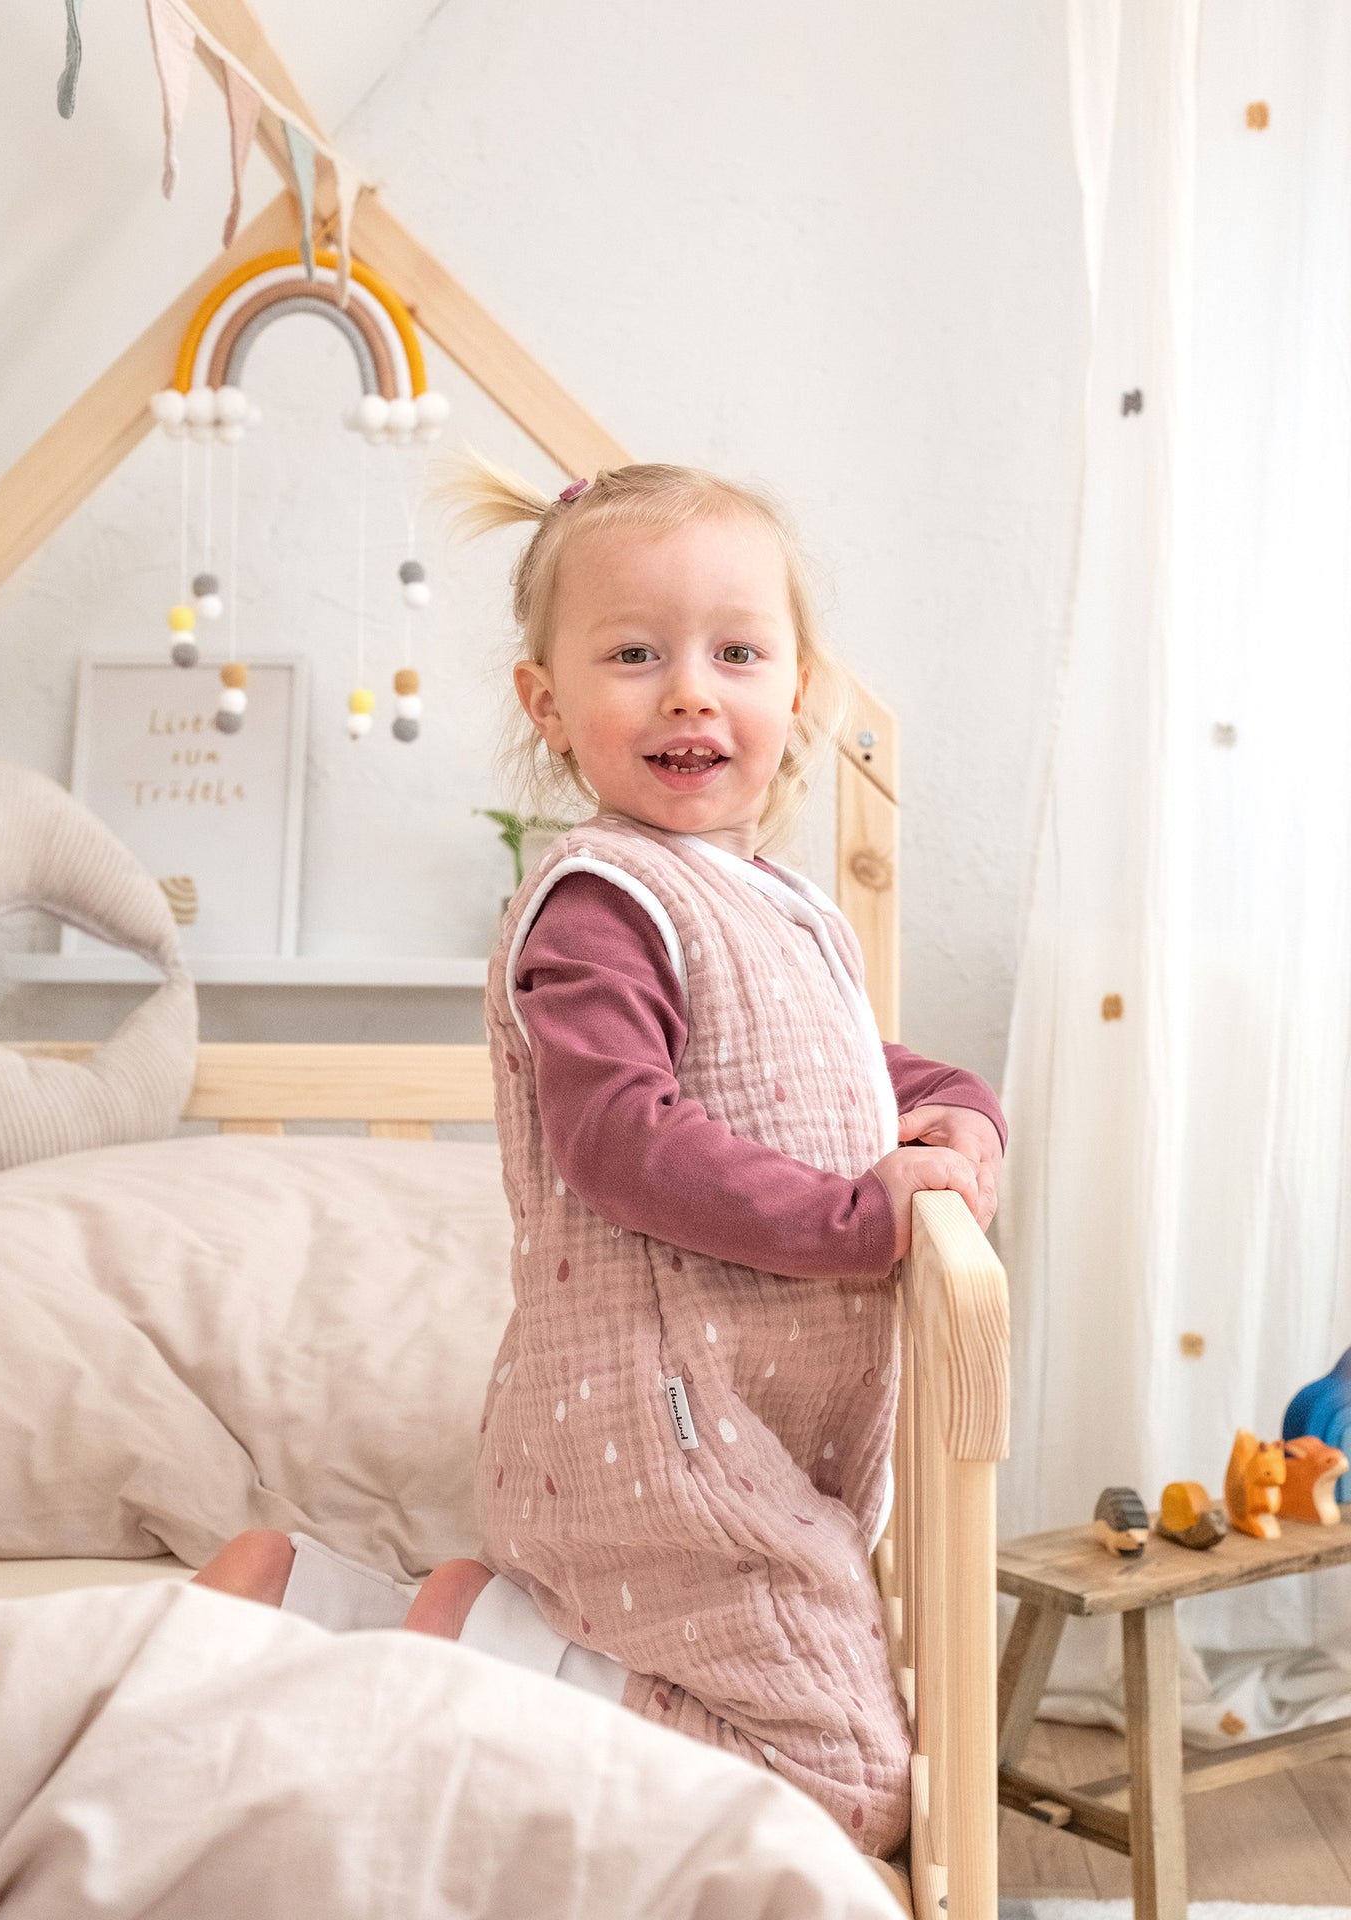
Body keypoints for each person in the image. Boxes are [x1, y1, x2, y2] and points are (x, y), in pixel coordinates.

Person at [198, 458, 1004, 1859]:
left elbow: (846, 1076)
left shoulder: (779, 905)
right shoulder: (600, 904)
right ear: (547, 705)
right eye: (634, 655)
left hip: (747, 1430)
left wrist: (964, 1110)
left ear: (797, 686)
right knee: (854, 1788)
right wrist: (858, 1224)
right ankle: (471, 1641)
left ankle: (340, 1621)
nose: (690, 690)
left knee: (853, 1755)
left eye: (735, 652)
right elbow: (619, 1140)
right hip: (663, 1429)